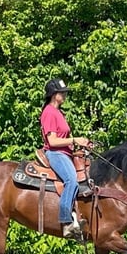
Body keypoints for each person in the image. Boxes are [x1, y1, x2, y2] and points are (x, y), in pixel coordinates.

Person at [39, 78, 91, 239]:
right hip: (55, 153)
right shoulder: (48, 112)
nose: (65, 95)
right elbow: (53, 142)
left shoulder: (59, 112)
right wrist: (75, 140)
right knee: (71, 180)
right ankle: (66, 221)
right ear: (54, 95)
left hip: (65, 153)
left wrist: (82, 145)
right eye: (63, 92)